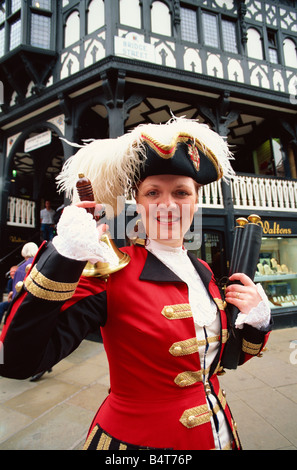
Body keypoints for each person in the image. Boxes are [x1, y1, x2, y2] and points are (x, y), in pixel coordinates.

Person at [0, 117, 271, 450]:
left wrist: (257, 322)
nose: (168, 204)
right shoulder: (110, 273)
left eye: (181, 192)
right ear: (138, 203)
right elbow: (16, 361)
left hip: (220, 434)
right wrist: (63, 256)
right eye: (153, 192)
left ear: (195, 202)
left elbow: (225, 359)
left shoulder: (203, 270)